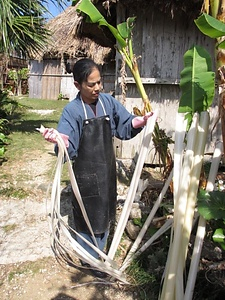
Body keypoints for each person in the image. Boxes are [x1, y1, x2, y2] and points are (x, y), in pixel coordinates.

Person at [42, 58, 153, 278]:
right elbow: (68, 145)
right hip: (84, 176)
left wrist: (139, 122)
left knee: (104, 215)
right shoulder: (72, 111)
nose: (97, 88)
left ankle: (99, 255)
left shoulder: (107, 103)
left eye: (99, 82)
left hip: (106, 171)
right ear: (77, 85)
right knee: (87, 218)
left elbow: (124, 124)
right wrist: (60, 141)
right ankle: (89, 260)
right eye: (91, 84)